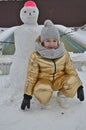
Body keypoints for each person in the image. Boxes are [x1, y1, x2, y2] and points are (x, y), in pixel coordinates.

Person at [21, 20, 84, 110]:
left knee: (72, 80)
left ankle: (62, 96)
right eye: (48, 41)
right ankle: (45, 101)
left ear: (58, 41)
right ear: (42, 42)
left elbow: (71, 70)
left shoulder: (64, 53)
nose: (51, 44)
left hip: (59, 80)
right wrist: (27, 95)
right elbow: (31, 76)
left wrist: (79, 86)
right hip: (44, 81)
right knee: (42, 88)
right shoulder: (36, 56)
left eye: (54, 41)